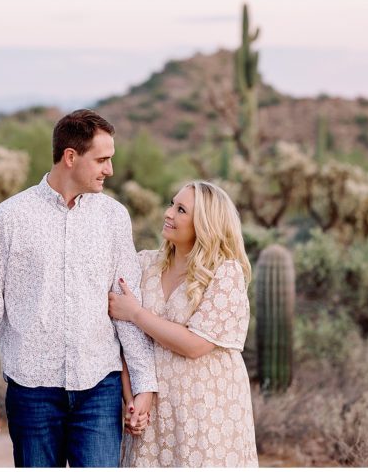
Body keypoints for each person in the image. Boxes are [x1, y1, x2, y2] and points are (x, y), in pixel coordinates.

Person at [0, 109, 158, 467]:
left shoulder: (114, 218)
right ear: (70, 157)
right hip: (31, 389)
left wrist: (144, 383)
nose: (109, 170)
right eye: (101, 160)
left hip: (99, 387)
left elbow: (128, 302)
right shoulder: (12, 216)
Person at [109, 180, 258, 467]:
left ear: (205, 223)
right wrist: (132, 400)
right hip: (151, 409)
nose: (168, 214)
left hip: (205, 409)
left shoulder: (224, 273)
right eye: (171, 204)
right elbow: (124, 339)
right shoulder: (144, 265)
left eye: (181, 210)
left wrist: (137, 313)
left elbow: (195, 345)